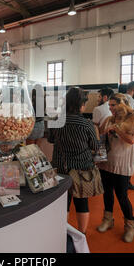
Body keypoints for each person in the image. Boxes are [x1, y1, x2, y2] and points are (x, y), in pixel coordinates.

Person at [48, 87, 102, 235]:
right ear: (81, 105)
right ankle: (81, 234)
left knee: (63, 203)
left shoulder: (56, 121)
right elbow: (95, 146)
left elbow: (51, 139)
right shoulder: (86, 123)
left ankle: (61, 233)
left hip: (60, 166)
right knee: (81, 203)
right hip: (81, 168)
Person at [97, 93, 134, 243]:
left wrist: (117, 130)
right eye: (109, 105)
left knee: (122, 196)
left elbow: (132, 140)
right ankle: (107, 219)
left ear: (123, 104)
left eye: (113, 105)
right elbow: (100, 136)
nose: (110, 108)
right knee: (107, 193)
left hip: (122, 165)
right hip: (106, 162)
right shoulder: (109, 119)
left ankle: (130, 225)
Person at [122, 81, 134, 190]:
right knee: (128, 159)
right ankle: (125, 182)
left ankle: (125, 181)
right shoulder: (128, 99)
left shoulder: (125, 98)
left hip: (127, 131)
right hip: (129, 132)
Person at [92, 88, 114, 162]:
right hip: (112, 137)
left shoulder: (98, 109)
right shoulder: (113, 108)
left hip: (101, 138)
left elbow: (95, 128)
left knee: (99, 161)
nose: (97, 99)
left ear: (105, 97)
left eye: (99, 97)